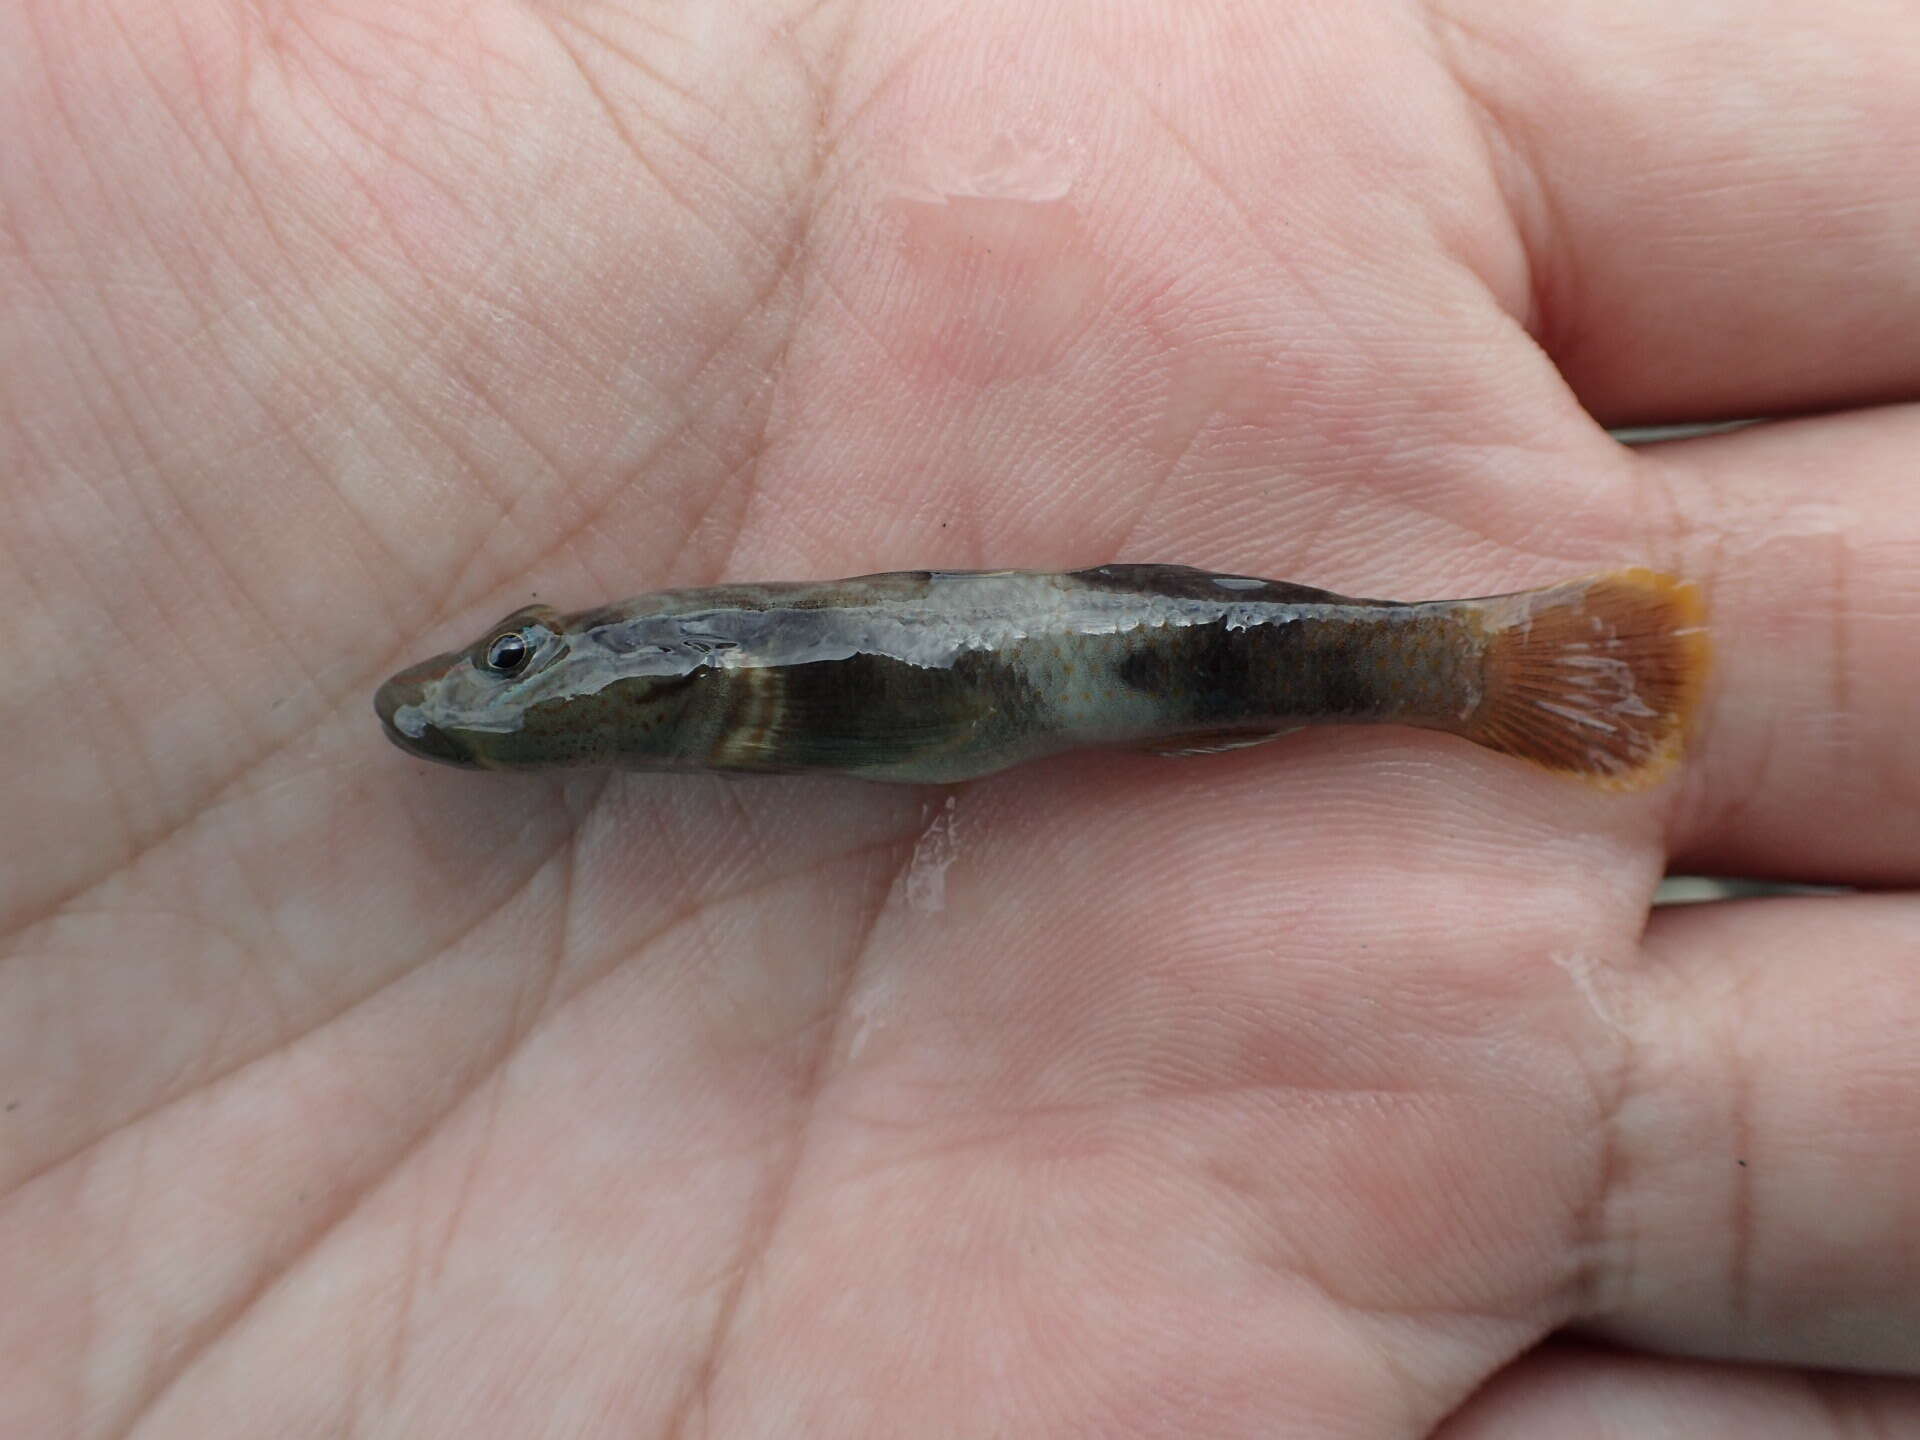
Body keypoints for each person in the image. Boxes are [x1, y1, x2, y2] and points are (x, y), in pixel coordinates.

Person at [4, 1, 1915, 1433]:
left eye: (516, 669)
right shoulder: (651, 682)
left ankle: (1477, 663)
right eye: (512, 686)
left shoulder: (641, 675)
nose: (509, 681)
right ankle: (1476, 665)